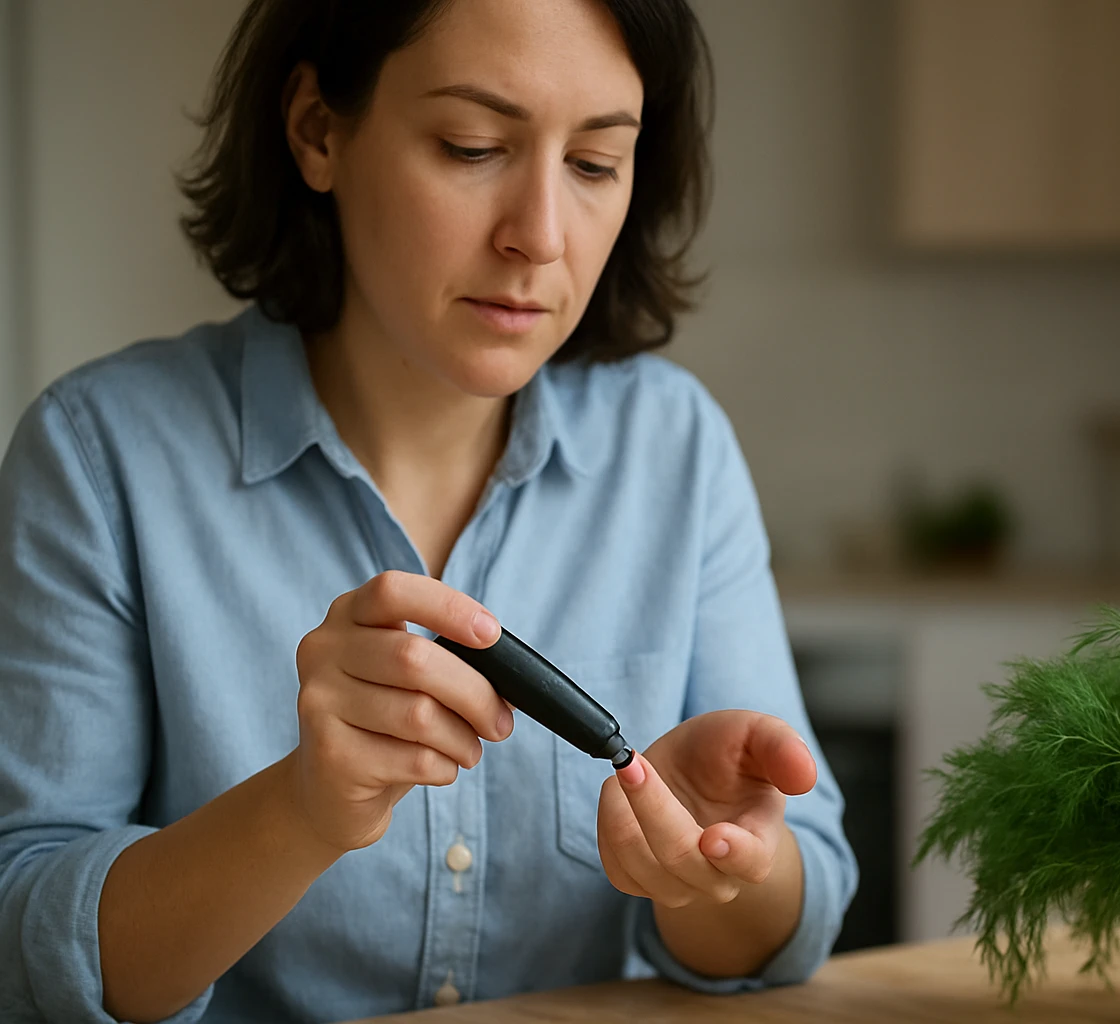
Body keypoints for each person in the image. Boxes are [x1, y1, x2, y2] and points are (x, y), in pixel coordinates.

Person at [0, 0, 856, 1020]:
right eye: (473, 145)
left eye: (594, 164)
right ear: (319, 129)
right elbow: (27, 945)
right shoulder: (102, 456)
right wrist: (302, 810)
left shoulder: (673, 445)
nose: (539, 236)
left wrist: (717, 860)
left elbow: (792, 910)